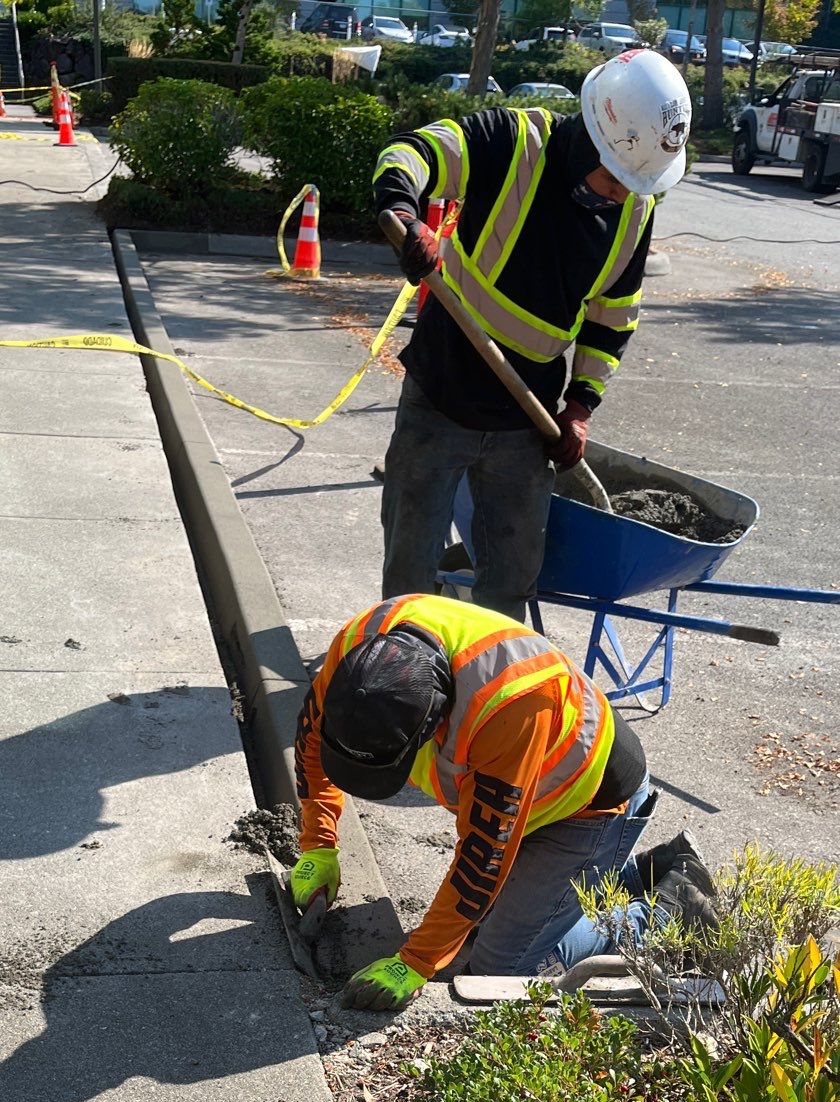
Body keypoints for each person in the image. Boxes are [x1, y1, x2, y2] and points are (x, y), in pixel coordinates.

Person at [373, 49, 693, 622]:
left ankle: (487, 692)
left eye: (635, 183)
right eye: (616, 177)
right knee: (410, 566)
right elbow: (413, 152)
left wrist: (580, 406)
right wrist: (404, 209)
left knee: (511, 581)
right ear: (592, 138)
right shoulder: (513, 142)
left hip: (528, 422)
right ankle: (401, 681)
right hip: (441, 394)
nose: (623, 193)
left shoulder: (634, 211)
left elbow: (612, 316)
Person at [289, 594, 716, 1011]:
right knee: (476, 927)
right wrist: (318, 844)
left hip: (585, 807)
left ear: (432, 723)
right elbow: (310, 740)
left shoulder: (507, 708)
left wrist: (415, 962)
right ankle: (644, 872)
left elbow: (482, 858)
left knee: (499, 973)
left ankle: (671, 908)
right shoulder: (360, 652)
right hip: (531, 794)